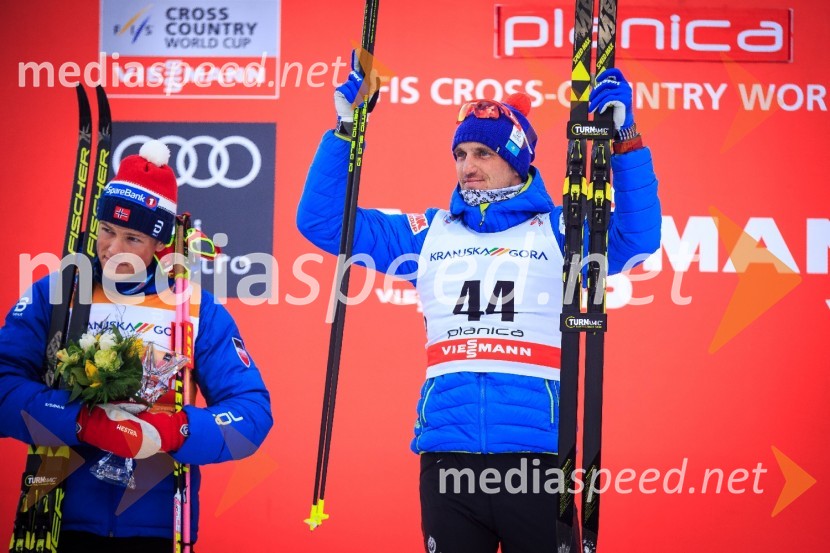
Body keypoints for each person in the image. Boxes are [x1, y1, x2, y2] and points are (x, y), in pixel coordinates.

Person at [297, 58, 661, 553]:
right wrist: (345, 129)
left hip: (534, 459)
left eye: (484, 153)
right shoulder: (428, 234)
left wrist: (626, 142)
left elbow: (636, 240)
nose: (468, 166)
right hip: (447, 458)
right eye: (461, 153)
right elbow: (321, 223)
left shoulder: (560, 231)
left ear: (517, 160)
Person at [0, 140, 273, 552]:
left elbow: (252, 415)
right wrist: (81, 421)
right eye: (107, 231)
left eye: (133, 238)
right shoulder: (57, 293)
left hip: (156, 523)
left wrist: (174, 431)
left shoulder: (195, 308)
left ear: (160, 245)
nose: (113, 250)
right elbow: (3, 385)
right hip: (56, 512)